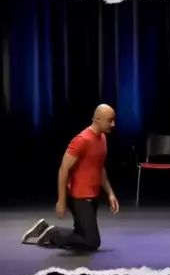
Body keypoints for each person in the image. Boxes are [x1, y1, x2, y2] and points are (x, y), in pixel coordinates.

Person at [22, 104, 119, 251]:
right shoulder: (82, 140)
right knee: (92, 242)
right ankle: (53, 233)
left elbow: (99, 168)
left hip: (93, 195)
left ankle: (46, 229)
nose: (113, 124)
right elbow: (64, 169)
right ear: (98, 119)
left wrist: (110, 193)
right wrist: (61, 201)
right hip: (80, 196)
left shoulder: (102, 138)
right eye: (109, 120)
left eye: (113, 120)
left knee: (82, 235)